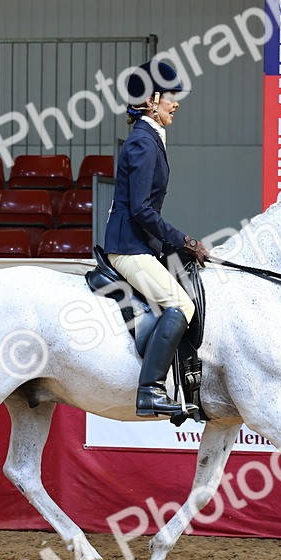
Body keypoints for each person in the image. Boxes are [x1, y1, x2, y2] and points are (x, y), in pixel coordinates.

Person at [104, 60, 211, 418]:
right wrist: (184, 241)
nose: (176, 103)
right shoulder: (143, 143)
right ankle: (150, 390)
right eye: (170, 96)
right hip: (129, 248)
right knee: (182, 305)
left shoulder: (150, 138)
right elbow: (141, 210)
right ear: (151, 100)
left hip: (142, 244)